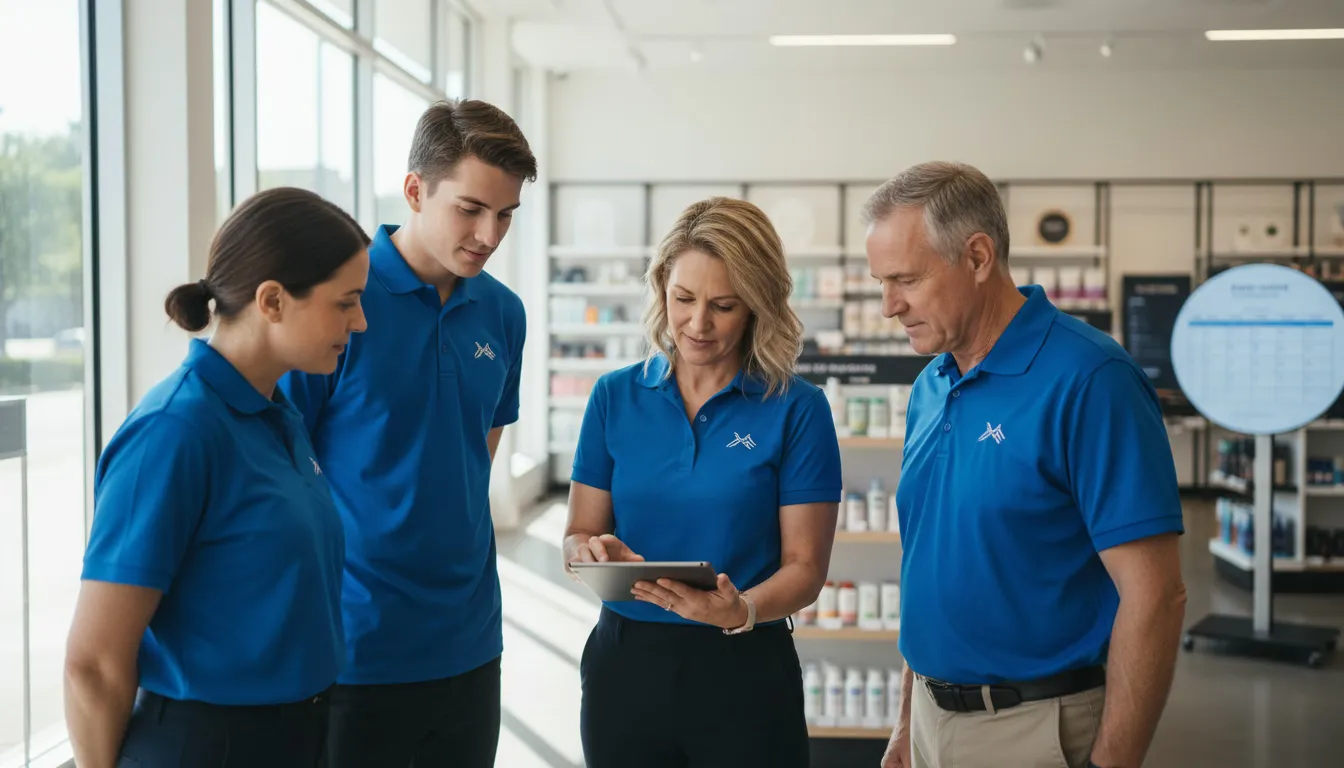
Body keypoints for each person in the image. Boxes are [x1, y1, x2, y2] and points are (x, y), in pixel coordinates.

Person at [864, 162, 1187, 768]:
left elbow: (1157, 595)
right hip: (934, 721)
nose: (889, 306)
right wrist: (909, 720)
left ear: (979, 257)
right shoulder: (932, 385)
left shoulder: (1092, 380)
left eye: (905, 279)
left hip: (1036, 729)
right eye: (882, 281)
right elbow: (927, 565)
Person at [63, 187, 371, 768]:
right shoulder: (173, 432)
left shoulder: (279, 415)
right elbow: (95, 661)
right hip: (208, 744)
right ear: (273, 300)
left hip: (299, 732)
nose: (360, 321)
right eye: (345, 302)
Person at [276, 99, 536, 768]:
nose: (488, 234)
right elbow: (279, 469)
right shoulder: (339, 301)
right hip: (354, 648)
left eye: (505, 214)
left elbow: (474, 457)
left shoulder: (504, 315)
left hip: (471, 644)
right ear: (415, 190)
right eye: (470, 209)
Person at [563, 196, 843, 768]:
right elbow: (578, 533)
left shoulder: (798, 409)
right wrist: (591, 552)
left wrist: (738, 611)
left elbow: (806, 568)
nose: (697, 324)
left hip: (744, 663)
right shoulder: (614, 397)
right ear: (662, 284)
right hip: (625, 664)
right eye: (683, 299)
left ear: (758, 306)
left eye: (724, 306)